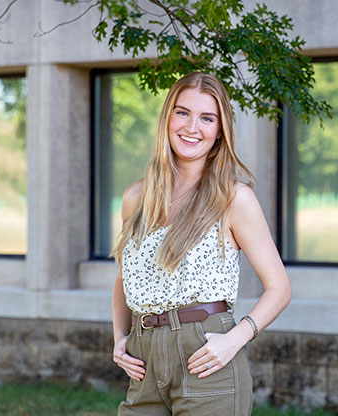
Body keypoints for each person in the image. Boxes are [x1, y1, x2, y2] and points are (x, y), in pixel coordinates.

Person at [111, 72, 292, 415]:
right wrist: (119, 339)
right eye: (183, 113)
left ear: (220, 130)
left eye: (207, 118)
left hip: (207, 359)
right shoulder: (137, 197)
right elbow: (124, 281)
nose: (192, 127)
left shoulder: (233, 198)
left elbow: (279, 288)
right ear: (167, 118)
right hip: (144, 362)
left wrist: (235, 341)